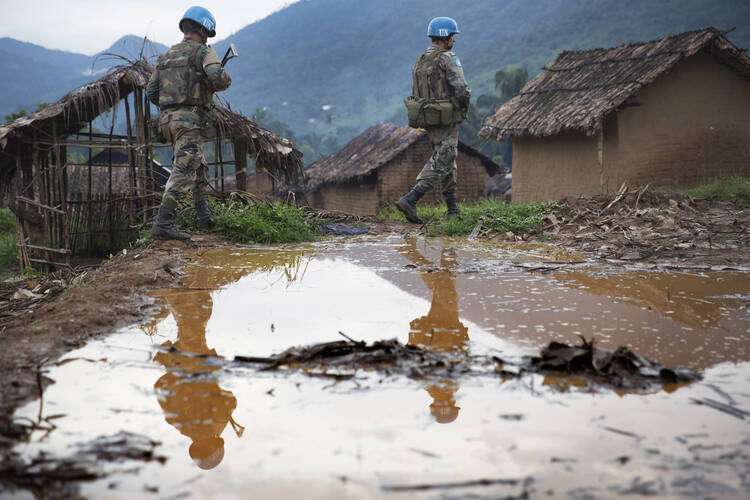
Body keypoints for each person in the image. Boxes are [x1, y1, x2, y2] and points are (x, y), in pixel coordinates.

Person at [146, 6, 232, 240]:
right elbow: (218, 78)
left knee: (197, 164)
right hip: (189, 121)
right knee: (184, 169)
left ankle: (204, 217)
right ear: (203, 30)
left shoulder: (166, 56)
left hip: (166, 122)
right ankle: (162, 224)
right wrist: (220, 80)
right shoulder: (204, 53)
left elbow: (151, 91)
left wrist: (171, 105)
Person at [397, 17, 471, 224]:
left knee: (447, 157)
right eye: (452, 36)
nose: (454, 40)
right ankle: (411, 198)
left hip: (428, 116)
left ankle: (453, 210)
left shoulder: (421, 59)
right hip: (445, 117)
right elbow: (462, 89)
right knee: (444, 157)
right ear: (444, 36)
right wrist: (461, 106)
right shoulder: (447, 58)